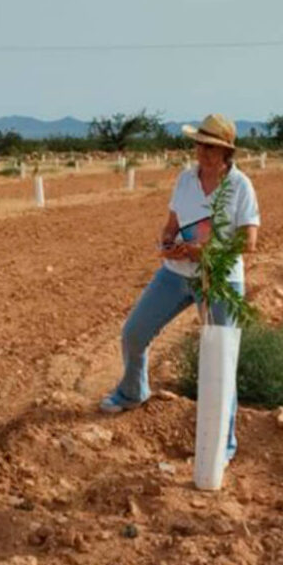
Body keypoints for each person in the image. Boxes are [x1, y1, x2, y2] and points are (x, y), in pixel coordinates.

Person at [98, 114, 260, 461]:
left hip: (220, 278)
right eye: (199, 144)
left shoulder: (240, 186)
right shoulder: (186, 179)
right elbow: (171, 223)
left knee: (221, 357)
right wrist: (168, 239)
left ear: (226, 152)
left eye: (210, 147)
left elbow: (249, 241)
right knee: (134, 332)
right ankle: (131, 392)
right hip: (175, 272)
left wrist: (205, 252)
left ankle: (222, 442)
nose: (202, 152)